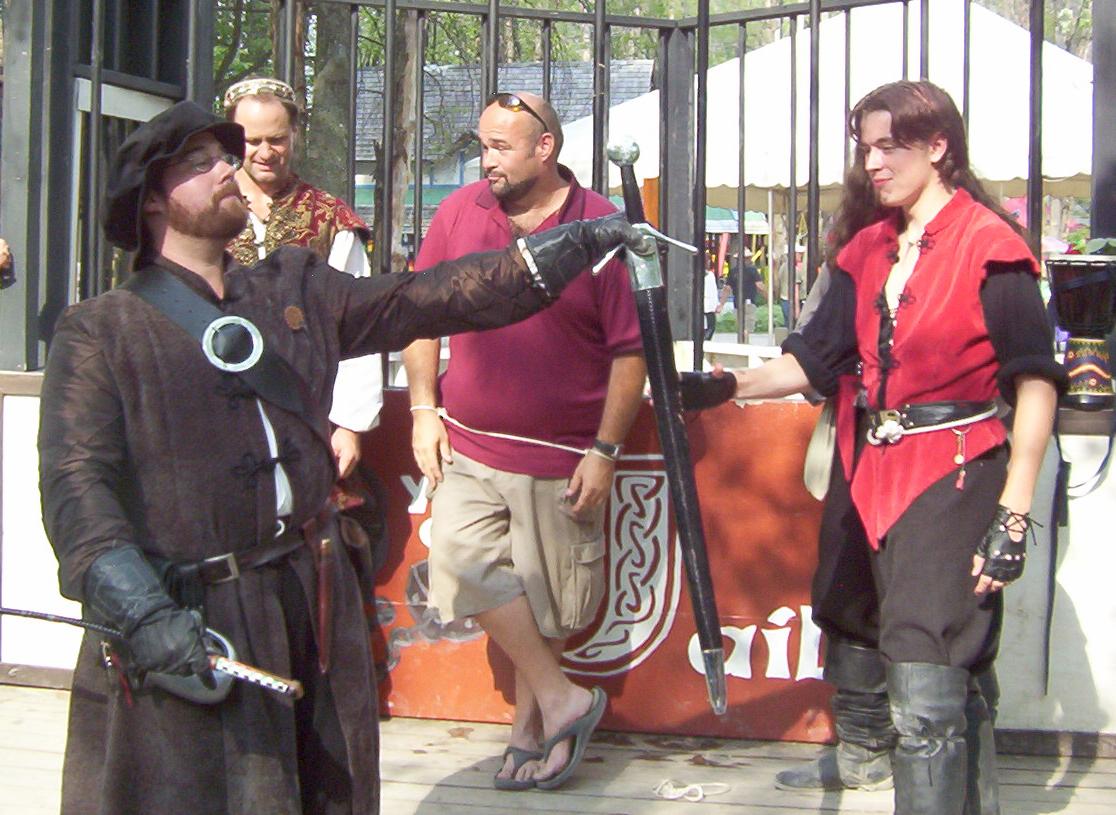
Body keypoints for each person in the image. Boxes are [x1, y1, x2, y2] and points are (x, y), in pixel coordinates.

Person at [37, 100, 647, 815]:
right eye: (199, 164)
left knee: (325, 790)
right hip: (189, 618)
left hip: (307, 597)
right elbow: (76, 492)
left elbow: (433, 297)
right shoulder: (100, 333)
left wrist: (576, 243)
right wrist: (142, 614)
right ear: (150, 202)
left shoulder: (292, 289)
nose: (228, 169)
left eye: (224, 155)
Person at [721, 81, 1064, 814]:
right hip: (868, 464)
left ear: (938, 147)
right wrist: (725, 386)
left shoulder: (989, 245)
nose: (872, 163)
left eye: (889, 147)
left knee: (928, 672)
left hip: (955, 469)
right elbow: (814, 360)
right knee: (873, 624)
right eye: (866, 149)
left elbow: (1035, 382)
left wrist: (1014, 512)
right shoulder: (869, 247)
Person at [401, 91, 646, 792]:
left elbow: (631, 352)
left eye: (500, 147)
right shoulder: (460, 211)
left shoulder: (599, 226)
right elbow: (417, 311)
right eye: (482, 145)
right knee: (457, 562)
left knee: (551, 604)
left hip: (563, 456)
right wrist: (423, 408)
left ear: (546, 148)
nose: (486, 160)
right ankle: (566, 700)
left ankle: (530, 730)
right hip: (470, 445)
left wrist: (605, 451)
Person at [224, 77, 379, 479]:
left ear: (294, 134)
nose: (265, 152)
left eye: (276, 139)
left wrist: (350, 423)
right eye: (252, 140)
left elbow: (356, 319)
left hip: (307, 409)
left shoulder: (329, 218)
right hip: (218, 407)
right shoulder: (206, 209)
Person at [703, 264, 722, 340]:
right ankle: (706, 339)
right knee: (710, 326)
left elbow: (713, 291)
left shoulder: (710, 275)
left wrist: (717, 304)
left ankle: (706, 339)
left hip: (708, 305)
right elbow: (713, 291)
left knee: (710, 326)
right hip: (709, 305)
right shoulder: (710, 275)